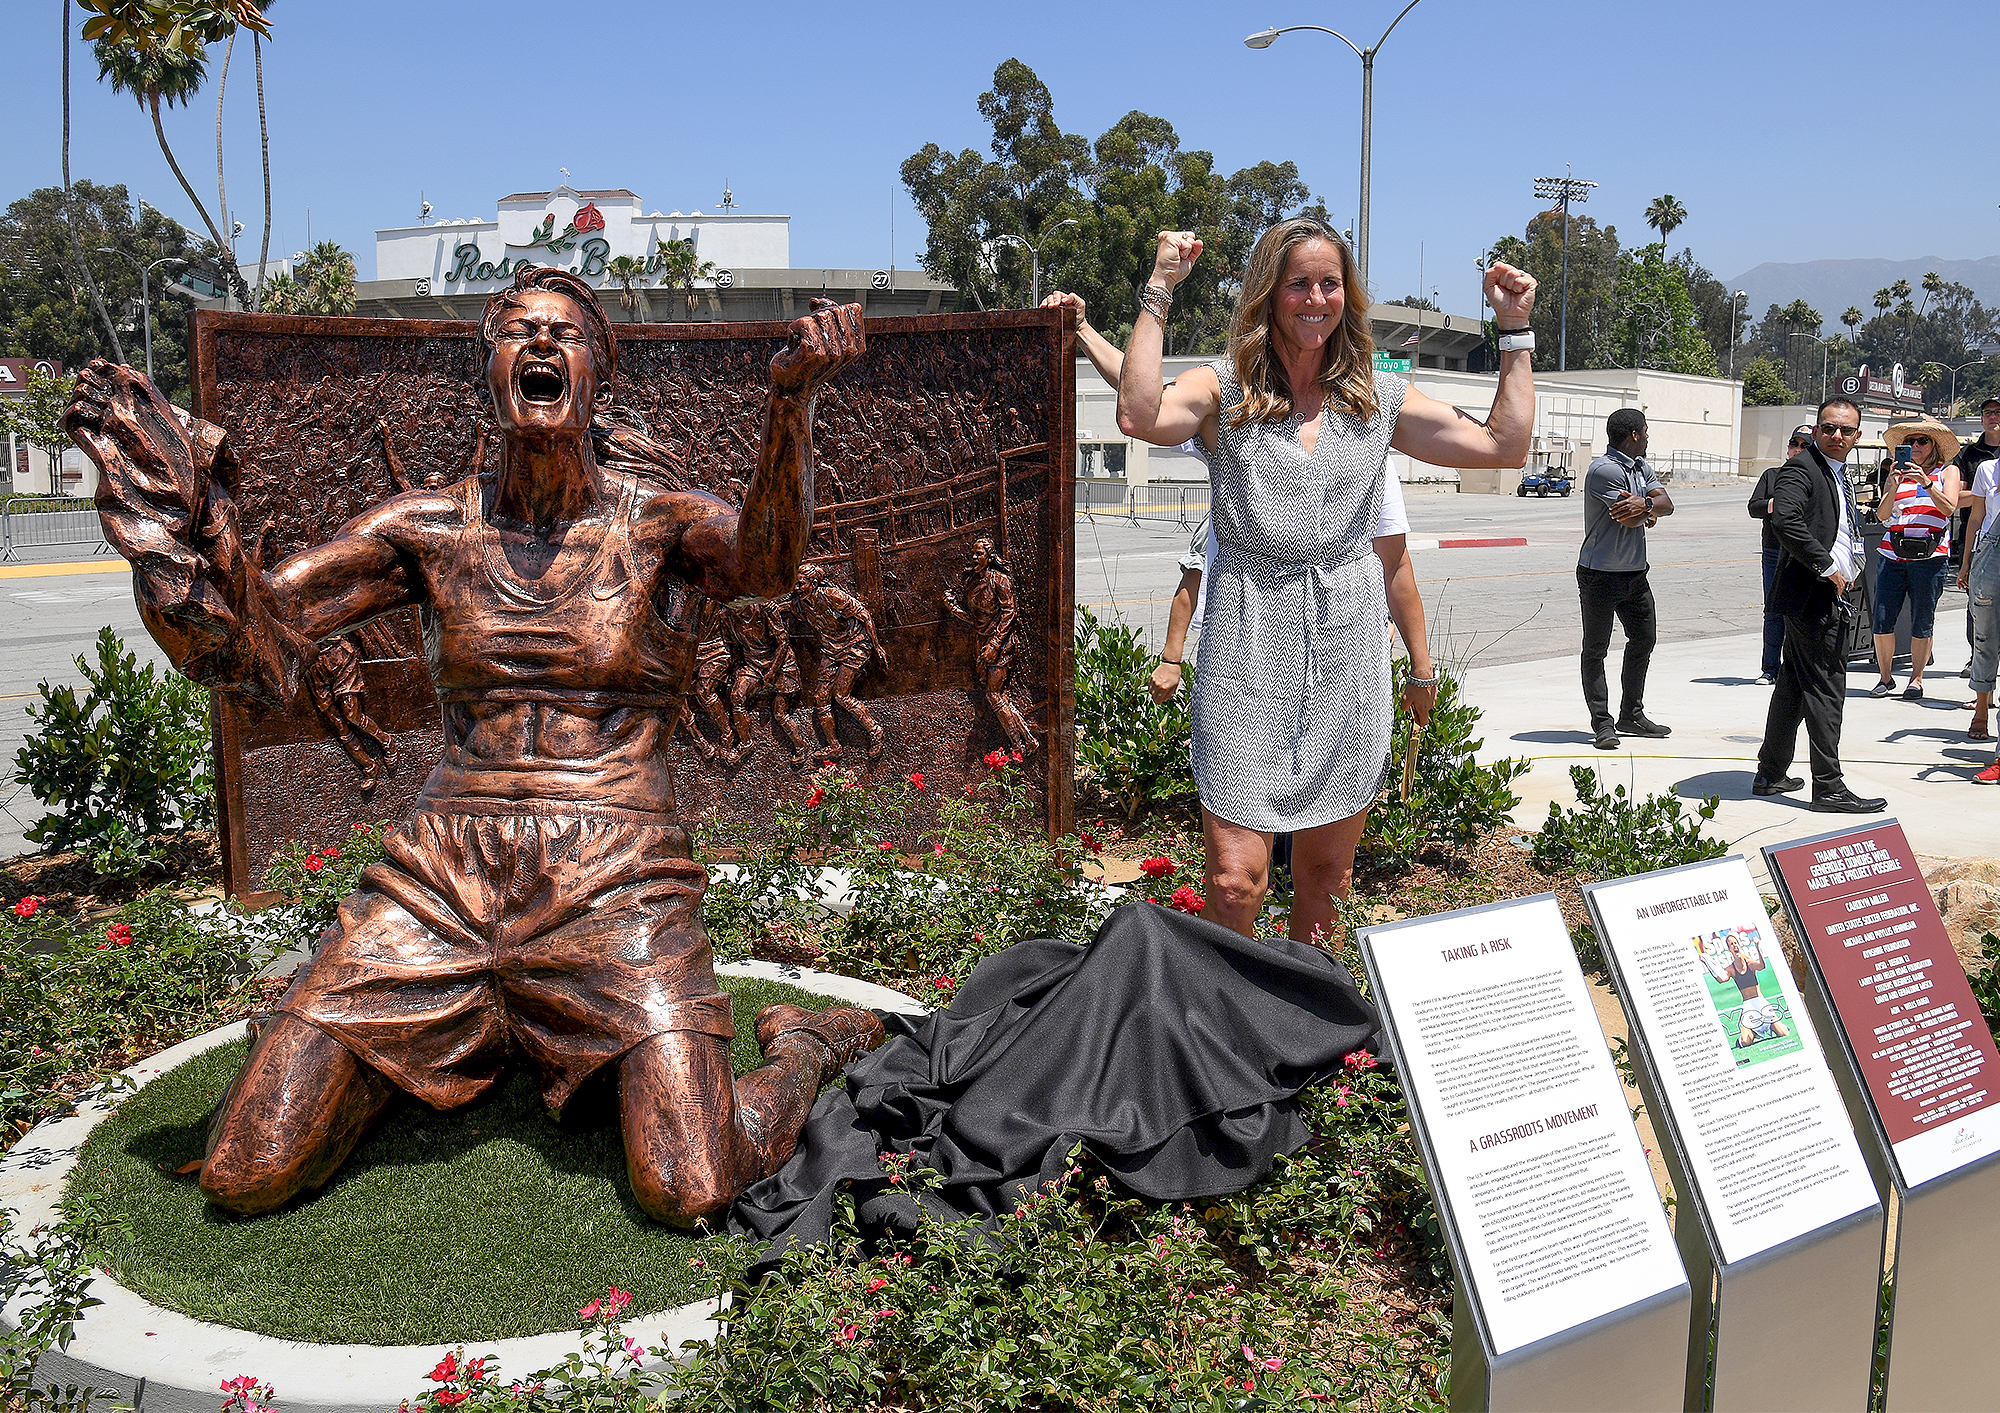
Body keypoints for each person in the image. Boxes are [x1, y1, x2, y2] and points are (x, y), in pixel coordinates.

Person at [64, 268, 884, 1226]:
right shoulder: (425, 529)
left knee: (690, 1184)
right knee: (245, 1170)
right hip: (442, 871)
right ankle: (434, 1031)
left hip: (616, 863)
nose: (541, 344)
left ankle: (803, 1047)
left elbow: (767, 560)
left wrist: (793, 400)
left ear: (599, 377)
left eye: (565, 333)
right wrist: (180, 525)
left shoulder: (659, 525)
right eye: (519, 332)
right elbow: (262, 637)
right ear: (487, 372)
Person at [1115, 219, 1537, 943]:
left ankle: (1309, 1040)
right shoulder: (1224, 388)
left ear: (1349, 295)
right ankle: (1228, 1033)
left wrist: (1515, 330)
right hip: (1246, 645)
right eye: (1299, 283)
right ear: (1269, 294)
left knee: (1326, 883)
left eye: (1330, 283)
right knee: (1233, 880)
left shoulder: (1377, 398)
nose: (1316, 297)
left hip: (1346, 651)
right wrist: (1159, 289)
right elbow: (1138, 411)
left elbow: (1504, 445)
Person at [1753, 397, 1887, 812]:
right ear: (1815, 430)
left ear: (1857, 436)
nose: (1837, 436)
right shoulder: (1801, 469)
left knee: (1793, 686)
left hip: (1820, 594)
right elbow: (1784, 519)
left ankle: (1771, 773)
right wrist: (1827, 566)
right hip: (1813, 596)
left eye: (1846, 430)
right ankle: (1829, 786)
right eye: (1829, 428)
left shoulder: (1837, 473)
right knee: (1828, 689)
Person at [1578, 408, 1674, 749]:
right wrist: (1647, 510)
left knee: (1643, 640)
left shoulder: (1640, 467)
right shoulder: (1604, 470)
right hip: (1600, 574)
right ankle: (1603, 724)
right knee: (1596, 649)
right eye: (1646, 431)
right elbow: (1629, 520)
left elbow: (1667, 504)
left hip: (1635, 573)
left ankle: (1631, 715)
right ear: (1634, 434)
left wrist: (1645, 504)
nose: (1648, 437)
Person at [1867, 418, 1961, 700]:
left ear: (1934, 447)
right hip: (1892, 552)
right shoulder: (1895, 474)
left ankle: (1916, 679)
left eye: (1922, 441)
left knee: (1923, 619)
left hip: (1930, 555)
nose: (1915, 446)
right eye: (1910, 443)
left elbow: (1949, 508)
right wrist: (1894, 486)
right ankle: (1885, 678)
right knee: (1882, 618)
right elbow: (1883, 515)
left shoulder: (1948, 471)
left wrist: (1927, 483)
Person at [1748, 425, 1813, 685]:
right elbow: (1754, 507)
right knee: (1773, 609)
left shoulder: (1815, 477)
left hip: (1803, 552)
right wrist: (1774, 504)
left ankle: (1797, 667)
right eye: (1794, 444)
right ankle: (1770, 667)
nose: (1797, 449)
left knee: (1800, 611)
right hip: (1774, 550)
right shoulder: (1772, 475)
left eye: (1804, 445)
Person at [1951, 397, 2000, 678]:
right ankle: (1977, 661)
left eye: (1997, 412)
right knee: (1978, 607)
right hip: (1980, 540)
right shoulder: (1971, 456)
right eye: (1987, 413)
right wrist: (1986, 491)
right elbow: (1956, 498)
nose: (1992, 417)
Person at [1957, 447, 1998, 780]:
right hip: (1990, 558)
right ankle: (1981, 708)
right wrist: (1966, 563)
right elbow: (1976, 518)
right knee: (1984, 641)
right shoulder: (1988, 470)